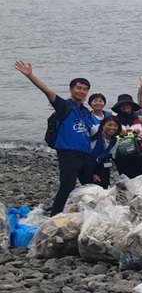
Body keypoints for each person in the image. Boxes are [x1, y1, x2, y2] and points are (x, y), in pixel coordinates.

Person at [14, 60, 97, 215]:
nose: (82, 91)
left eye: (85, 89)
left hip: (85, 154)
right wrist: (30, 75)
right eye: (79, 88)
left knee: (90, 187)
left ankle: (88, 215)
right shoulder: (64, 106)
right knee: (67, 186)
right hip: (68, 152)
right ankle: (54, 217)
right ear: (71, 89)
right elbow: (47, 91)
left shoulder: (86, 112)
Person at [90, 116, 121, 188]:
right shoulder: (95, 131)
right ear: (103, 125)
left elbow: (109, 156)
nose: (112, 128)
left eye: (115, 126)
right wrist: (92, 173)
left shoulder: (115, 140)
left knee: (105, 186)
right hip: (86, 163)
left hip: (100, 164)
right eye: (109, 125)